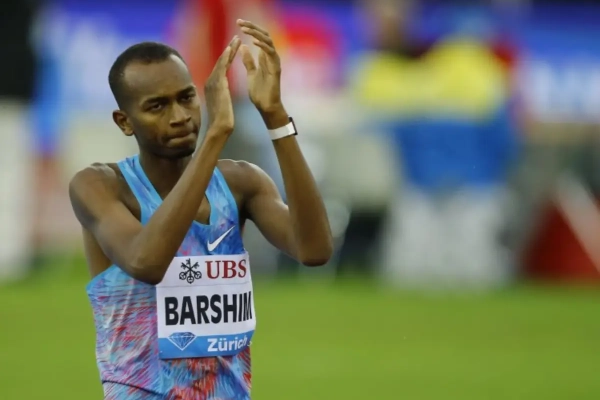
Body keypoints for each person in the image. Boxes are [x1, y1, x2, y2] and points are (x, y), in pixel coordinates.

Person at [68, 19, 333, 400]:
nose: (179, 117)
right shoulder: (101, 186)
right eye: (157, 106)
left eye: (186, 98)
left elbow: (315, 249)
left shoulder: (241, 183)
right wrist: (214, 136)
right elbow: (147, 262)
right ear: (124, 122)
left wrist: (275, 116)